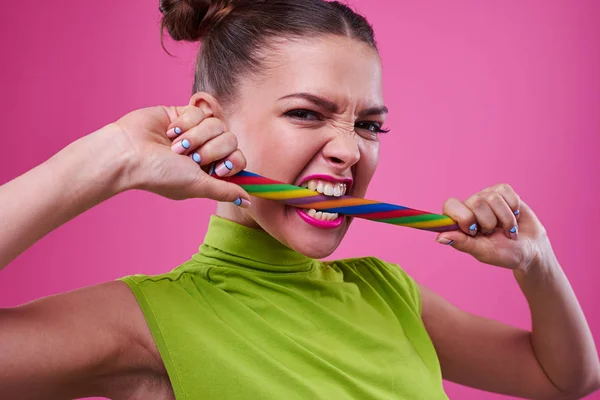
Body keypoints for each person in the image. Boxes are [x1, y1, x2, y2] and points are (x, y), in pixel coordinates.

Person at [0, 0, 598, 399]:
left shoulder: (390, 296)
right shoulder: (144, 323)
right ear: (209, 121)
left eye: (369, 125)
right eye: (306, 114)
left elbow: (564, 378)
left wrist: (538, 264)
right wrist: (108, 158)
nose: (348, 152)